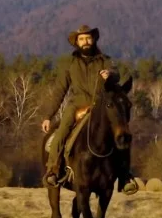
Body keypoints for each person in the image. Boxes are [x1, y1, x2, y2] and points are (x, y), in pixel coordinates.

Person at [41, 25, 138, 194]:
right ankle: (53, 169)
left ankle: (124, 176)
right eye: (81, 39)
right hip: (76, 106)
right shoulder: (69, 64)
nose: (85, 41)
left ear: (93, 39)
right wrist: (49, 116)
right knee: (62, 131)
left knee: (122, 135)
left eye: (88, 38)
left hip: (100, 107)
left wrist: (110, 76)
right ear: (76, 42)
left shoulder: (105, 60)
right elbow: (59, 91)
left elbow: (116, 74)